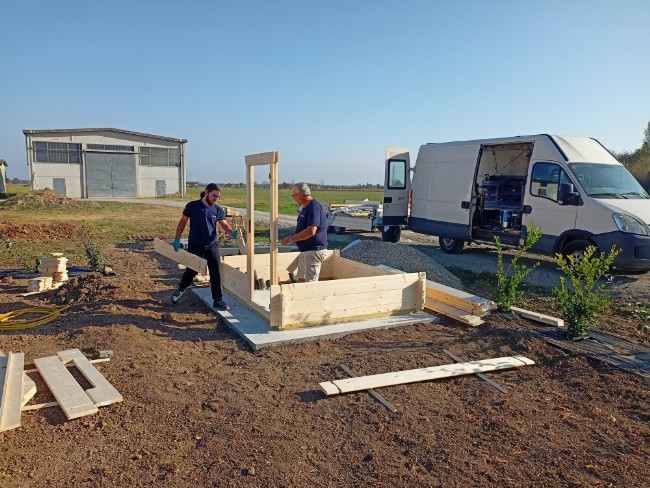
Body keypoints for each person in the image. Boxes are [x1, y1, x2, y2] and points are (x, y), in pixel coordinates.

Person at [171, 183, 234, 311]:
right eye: (214, 195)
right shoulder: (192, 206)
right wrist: (177, 239)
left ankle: (218, 300)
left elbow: (225, 225)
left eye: (217, 197)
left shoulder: (217, 210)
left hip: (212, 245)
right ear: (206, 192)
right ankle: (181, 289)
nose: (215, 199)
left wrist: (232, 232)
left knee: (215, 271)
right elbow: (182, 222)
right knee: (192, 270)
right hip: (195, 244)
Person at [281, 182, 328, 282]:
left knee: (310, 285)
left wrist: (291, 239)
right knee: (301, 278)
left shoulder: (313, 207)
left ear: (301, 195)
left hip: (314, 251)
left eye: (294, 196)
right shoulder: (306, 207)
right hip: (306, 251)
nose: (294, 198)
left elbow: (311, 231)